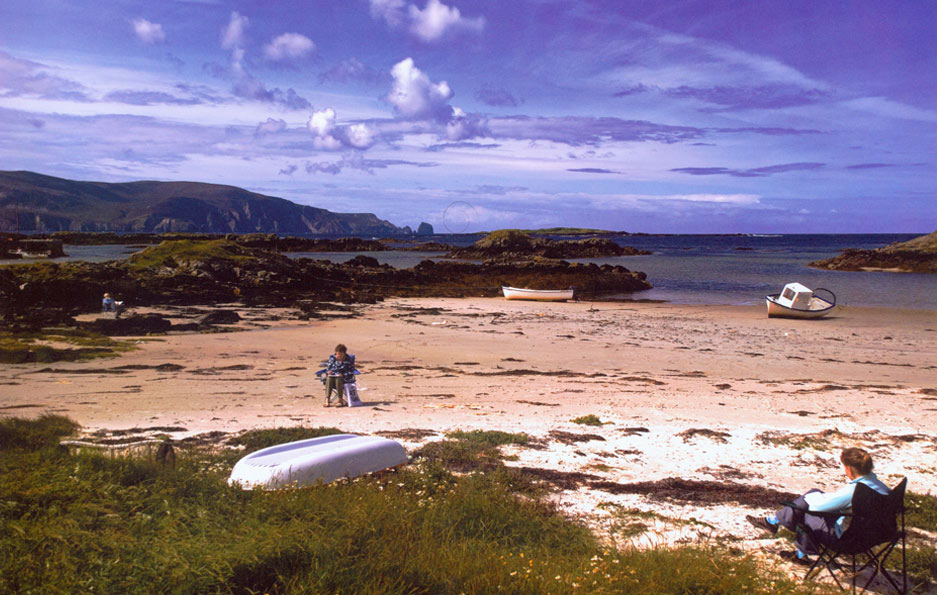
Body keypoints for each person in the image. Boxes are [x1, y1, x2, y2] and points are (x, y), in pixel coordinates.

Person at [746, 447, 890, 565]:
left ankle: (788, 539)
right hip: (877, 536)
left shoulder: (856, 490)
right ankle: (774, 523)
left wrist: (809, 497)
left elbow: (817, 507)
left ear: (849, 469)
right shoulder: (883, 488)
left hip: (848, 540)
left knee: (805, 510)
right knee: (812, 497)